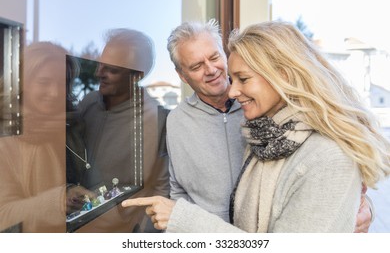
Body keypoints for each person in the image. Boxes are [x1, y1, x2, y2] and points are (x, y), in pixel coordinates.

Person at [122, 20, 389, 232]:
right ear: (182, 76)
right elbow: (179, 189)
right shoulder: (253, 126)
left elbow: (331, 186)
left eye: (215, 57)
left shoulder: (263, 115)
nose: (213, 71)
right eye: (196, 66)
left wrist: (358, 210)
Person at [72, 28, 169, 232]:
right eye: (100, 65)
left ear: (136, 76)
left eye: (112, 70)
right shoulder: (88, 104)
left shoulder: (158, 121)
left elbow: (160, 192)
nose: (99, 73)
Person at [0, 42, 84, 232]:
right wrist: (57, 201)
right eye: (44, 82)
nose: (55, 93)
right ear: (23, 82)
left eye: (62, 83)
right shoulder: (6, 136)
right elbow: (3, 216)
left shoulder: (72, 125)